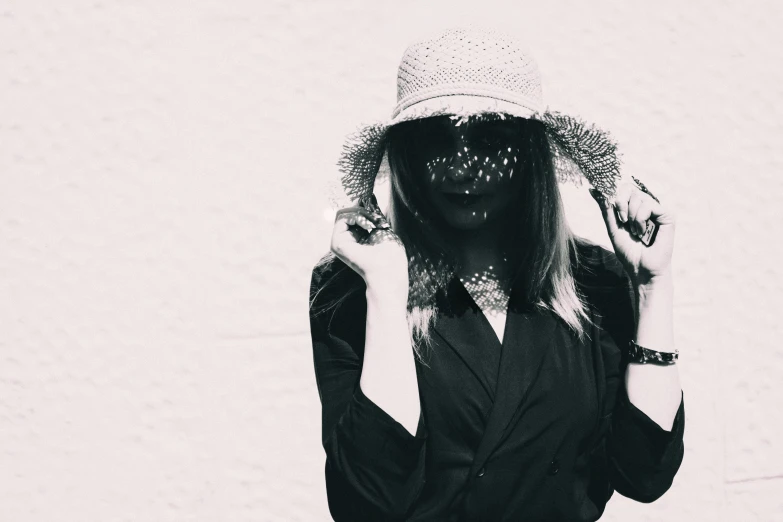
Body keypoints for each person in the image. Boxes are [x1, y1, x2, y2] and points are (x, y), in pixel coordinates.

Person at [309, 27, 685, 521]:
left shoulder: (593, 280)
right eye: (436, 140)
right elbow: (369, 500)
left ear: (529, 153)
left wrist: (651, 288)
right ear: (405, 155)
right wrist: (385, 289)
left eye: (491, 139)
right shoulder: (351, 288)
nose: (462, 167)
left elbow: (645, 472)